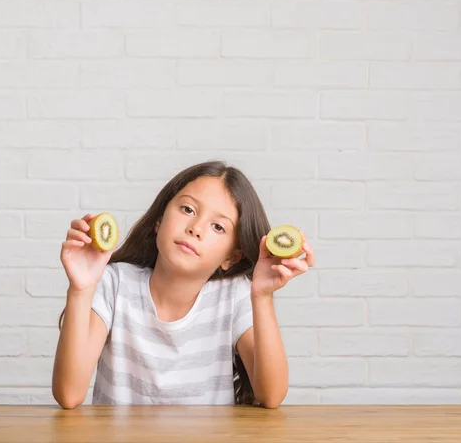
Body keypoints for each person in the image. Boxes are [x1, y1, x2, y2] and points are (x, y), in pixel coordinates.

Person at [51, 160, 315, 409]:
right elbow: (69, 394)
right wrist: (81, 289)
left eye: (218, 227)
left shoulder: (234, 296)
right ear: (159, 220)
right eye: (188, 209)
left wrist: (262, 296)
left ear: (231, 256)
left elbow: (271, 396)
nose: (196, 228)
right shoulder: (115, 283)